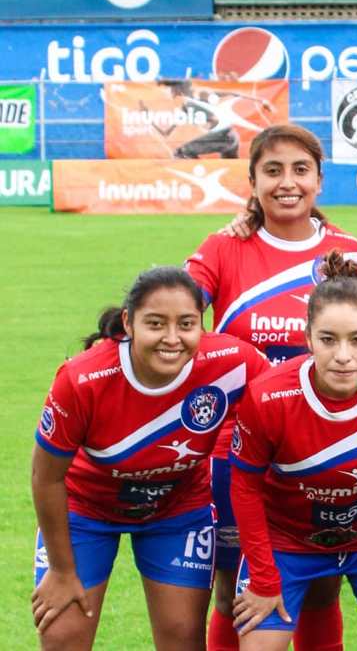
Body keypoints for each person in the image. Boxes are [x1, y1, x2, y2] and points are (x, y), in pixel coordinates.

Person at [187, 124, 357, 651]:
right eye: (273, 170)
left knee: (321, 588)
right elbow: (177, 310)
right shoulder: (224, 247)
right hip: (237, 448)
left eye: (300, 170)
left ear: (319, 180)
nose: (287, 182)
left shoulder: (348, 254)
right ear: (253, 182)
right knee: (231, 592)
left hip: (328, 446)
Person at [31, 267, 268, 650]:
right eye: (156, 324)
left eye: (186, 324)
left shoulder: (232, 361)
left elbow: (289, 398)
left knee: (183, 637)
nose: (172, 338)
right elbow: (46, 476)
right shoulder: (82, 379)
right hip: (85, 510)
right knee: (62, 637)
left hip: (177, 511)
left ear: (202, 323)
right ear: (129, 322)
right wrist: (61, 570)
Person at [230, 251, 357, 651]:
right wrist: (265, 579)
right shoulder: (267, 396)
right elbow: (245, 488)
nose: (343, 356)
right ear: (307, 338)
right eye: (327, 340)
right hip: (287, 540)